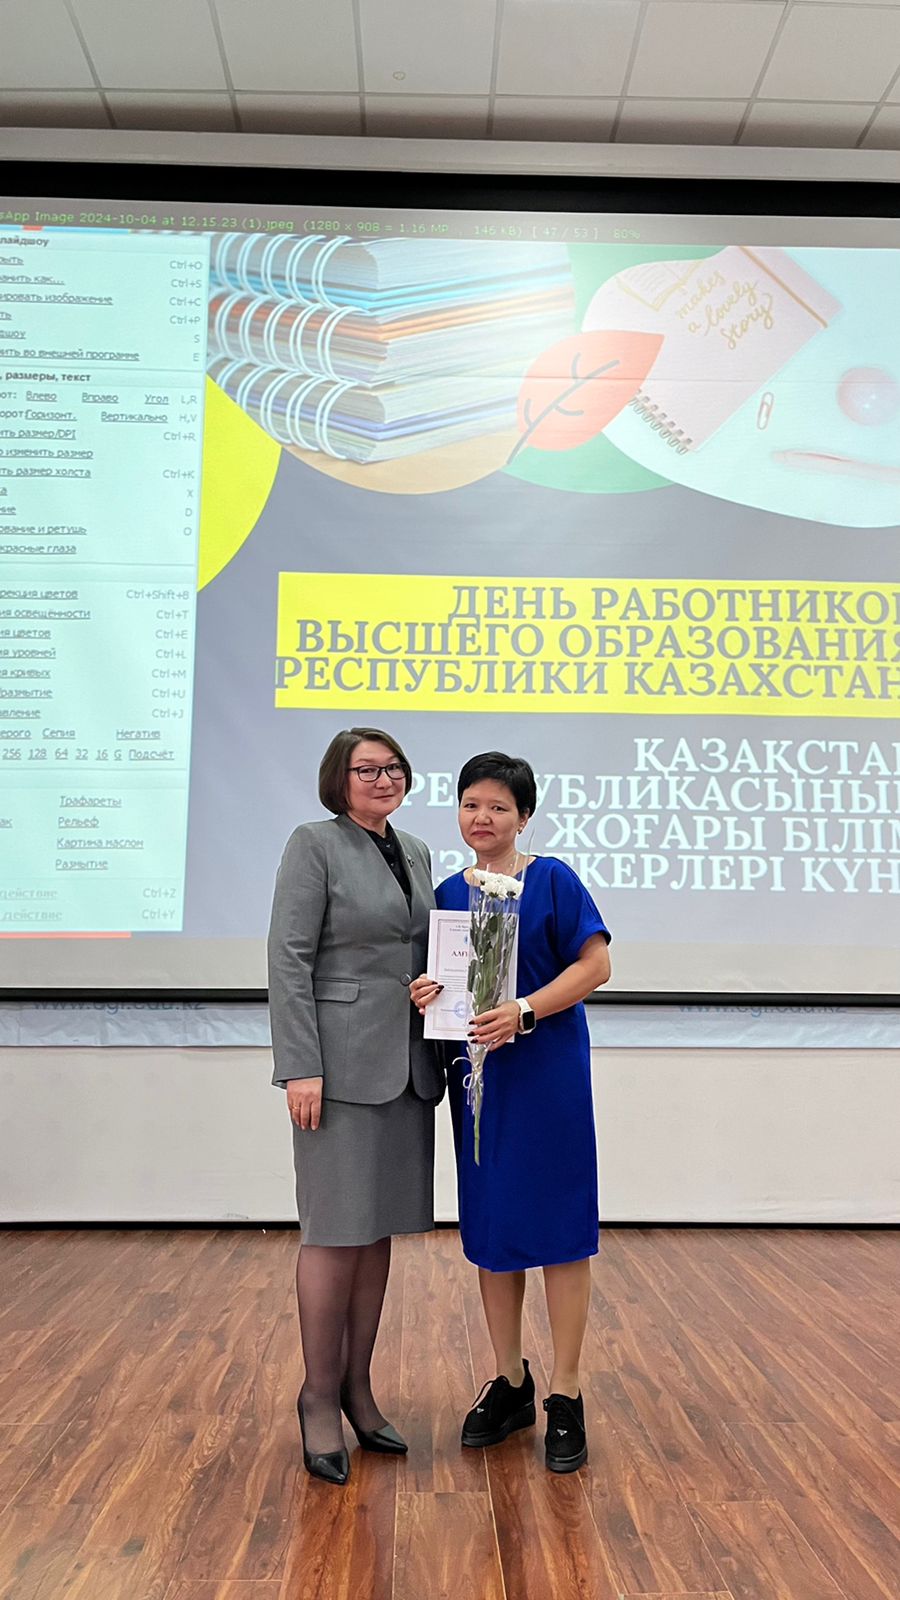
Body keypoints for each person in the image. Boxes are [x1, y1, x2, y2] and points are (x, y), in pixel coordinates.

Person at [411, 751, 610, 1474]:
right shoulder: (446, 893)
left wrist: (524, 1010)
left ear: (523, 817)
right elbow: (451, 983)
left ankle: (567, 1392)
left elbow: (595, 965)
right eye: (471, 805)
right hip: (482, 1084)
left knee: (560, 1233)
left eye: (498, 807)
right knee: (493, 1234)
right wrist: (428, 993)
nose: (482, 818)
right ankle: (511, 1380)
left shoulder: (552, 879)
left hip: (547, 1080)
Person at [268, 727, 444, 1485]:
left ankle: (357, 1389)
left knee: (375, 1233)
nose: (383, 778)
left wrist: (436, 985)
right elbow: (288, 959)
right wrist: (300, 1066)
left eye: (393, 767)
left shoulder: (417, 851)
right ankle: (316, 1396)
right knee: (334, 1231)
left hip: (406, 1066)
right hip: (337, 1068)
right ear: (337, 779)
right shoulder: (314, 845)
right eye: (366, 769)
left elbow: (421, 950)